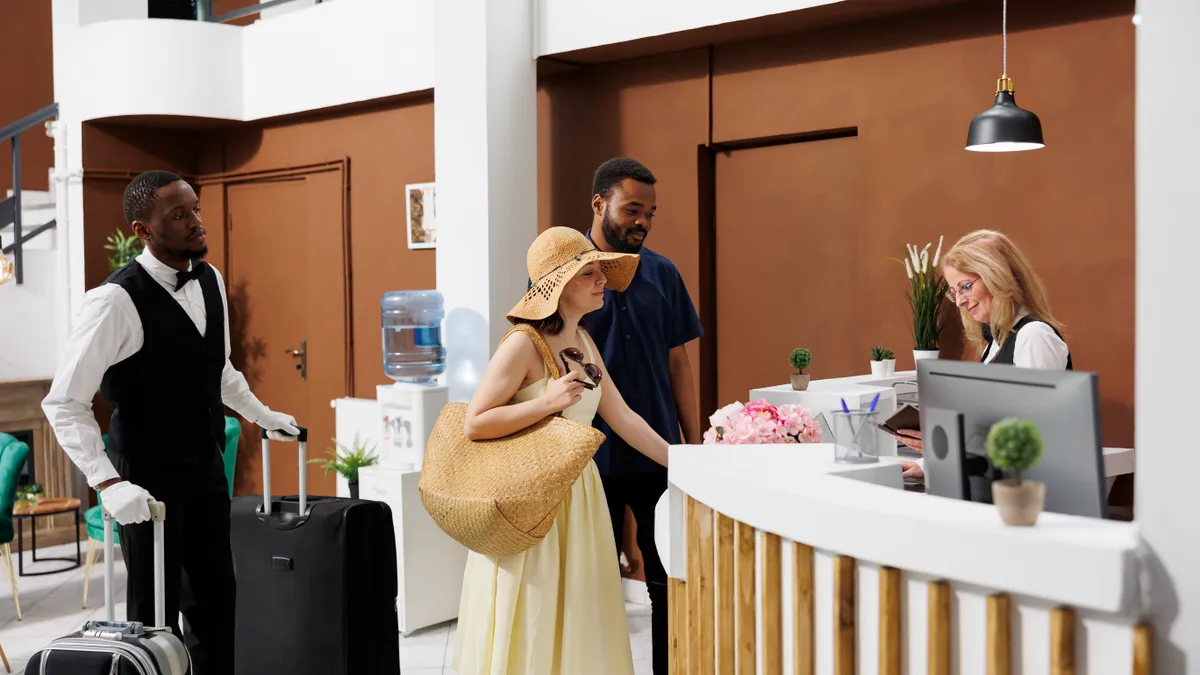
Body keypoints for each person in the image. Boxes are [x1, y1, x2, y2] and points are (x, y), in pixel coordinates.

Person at [42, 170, 299, 674]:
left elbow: (218, 369)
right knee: (154, 616)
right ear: (142, 229)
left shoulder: (210, 279)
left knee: (216, 602)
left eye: (195, 209)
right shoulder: (114, 301)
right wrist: (109, 482)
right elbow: (64, 402)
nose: (195, 222)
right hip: (145, 479)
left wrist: (261, 416)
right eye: (178, 215)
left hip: (204, 469)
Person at [453, 226, 670, 675]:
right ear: (557, 286)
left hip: (579, 495)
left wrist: (684, 462)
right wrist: (548, 402)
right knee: (536, 608)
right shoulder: (522, 344)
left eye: (600, 271)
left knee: (577, 611)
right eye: (589, 272)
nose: (602, 280)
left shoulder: (584, 342)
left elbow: (623, 417)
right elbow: (475, 423)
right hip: (533, 499)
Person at [580, 157, 702, 674]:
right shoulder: (566, 276)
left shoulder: (663, 273)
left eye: (650, 213)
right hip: (587, 457)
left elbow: (679, 361)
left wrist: (694, 447)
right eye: (633, 209)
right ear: (599, 204)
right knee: (591, 588)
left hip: (657, 450)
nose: (643, 222)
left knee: (666, 581)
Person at [896, 230, 1070, 474]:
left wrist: (948, 449)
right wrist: (929, 463)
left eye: (965, 287)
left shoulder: (1034, 336)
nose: (959, 302)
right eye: (954, 291)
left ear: (998, 277)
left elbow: (1034, 436)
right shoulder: (997, 343)